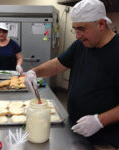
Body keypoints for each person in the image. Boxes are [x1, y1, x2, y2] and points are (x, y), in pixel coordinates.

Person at [24, 0, 119, 149]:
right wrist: (34, 72)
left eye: (81, 29)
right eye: (75, 30)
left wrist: (100, 120)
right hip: (75, 131)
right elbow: (56, 64)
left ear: (101, 24)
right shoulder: (81, 45)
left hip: (104, 142)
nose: (77, 36)